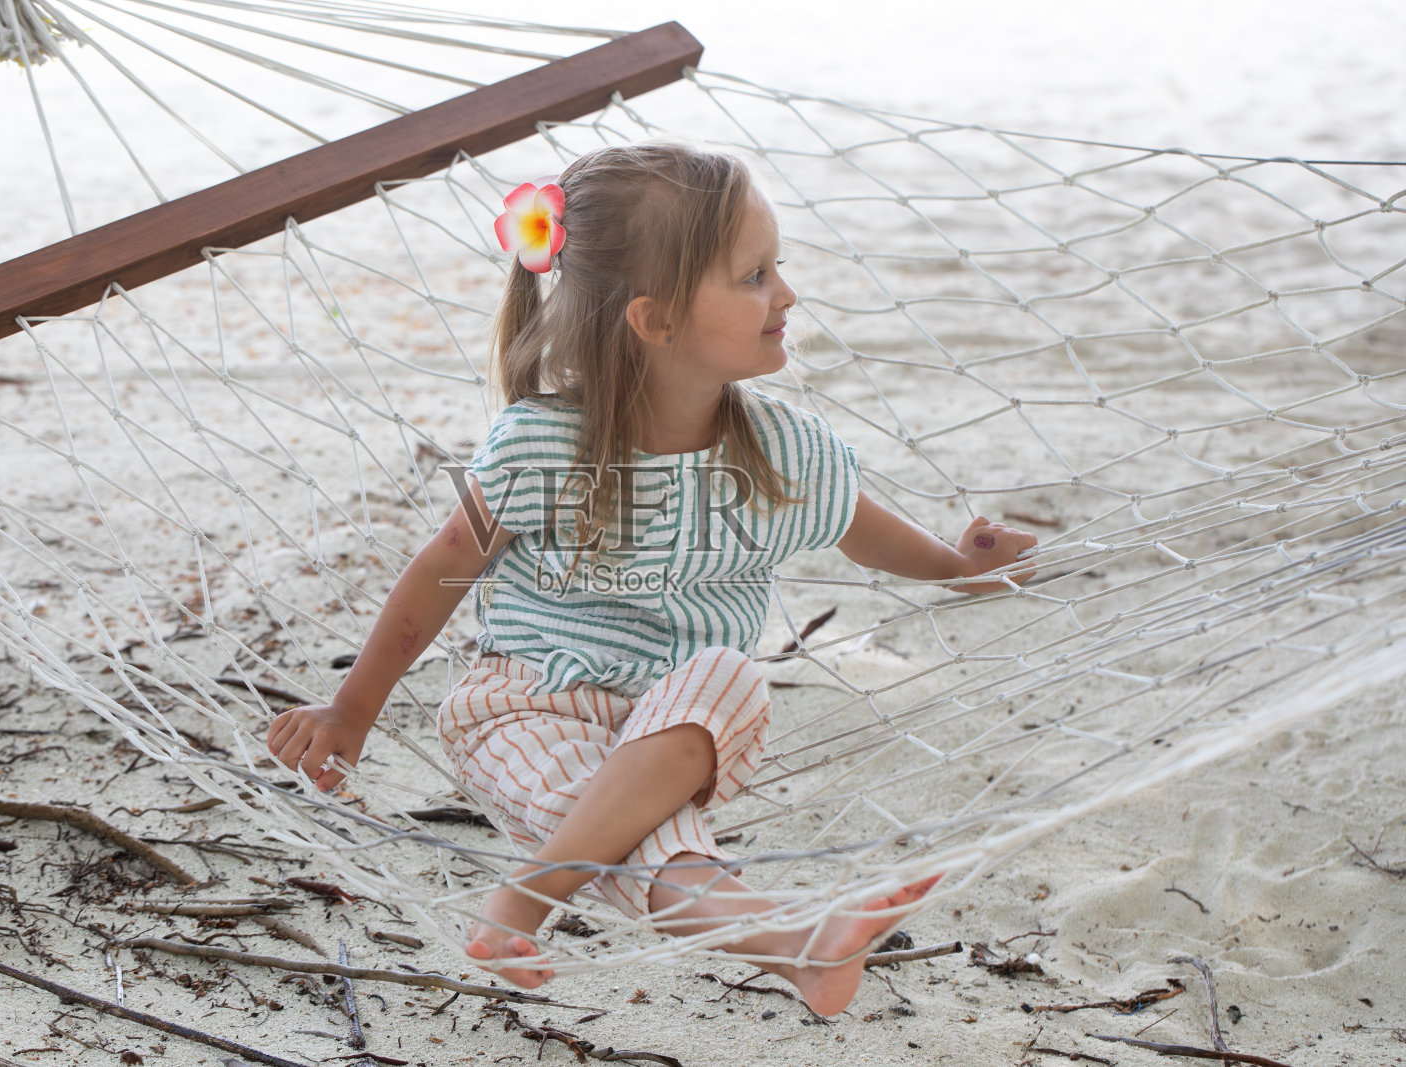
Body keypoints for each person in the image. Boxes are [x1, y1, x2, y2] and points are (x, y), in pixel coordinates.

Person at [267, 142, 1037, 1016]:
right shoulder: (538, 446)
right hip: (525, 709)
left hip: (679, 726)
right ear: (655, 319)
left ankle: (556, 900)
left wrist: (957, 567)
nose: (784, 293)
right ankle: (745, 932)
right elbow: (444, 566)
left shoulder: (784, 449)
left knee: (732, 674)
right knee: (647, 839)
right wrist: (353, 708)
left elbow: (862, 532)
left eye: (777, 267)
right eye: (753, 275)